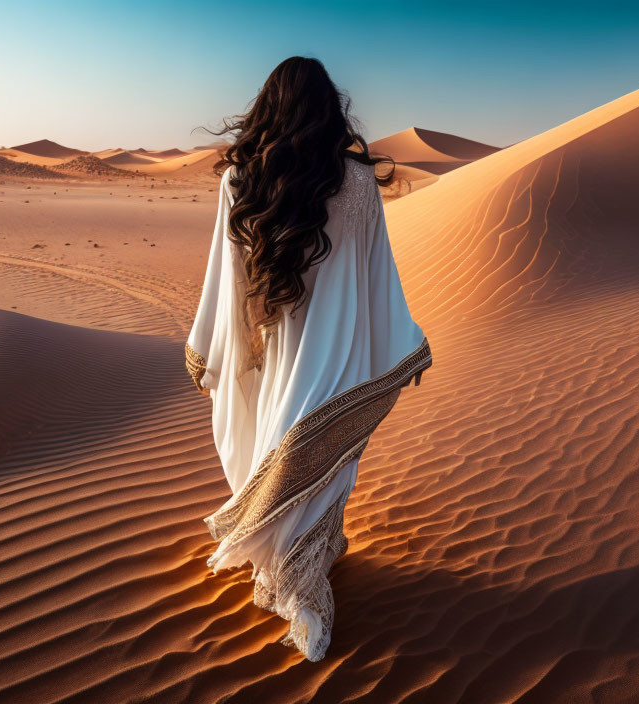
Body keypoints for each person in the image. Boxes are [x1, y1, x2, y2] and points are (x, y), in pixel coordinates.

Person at [185, 56, 432, 662]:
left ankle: (293, 567)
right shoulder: (356, 182)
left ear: (267, 107)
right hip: (338, 343)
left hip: (268, 343)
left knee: (280, 442)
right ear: (330, 109)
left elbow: (224, 276)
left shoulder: (240, 179)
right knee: (320, 455)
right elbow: (379, 274)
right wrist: (401, 341)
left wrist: (211, 346)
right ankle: (296, 575)